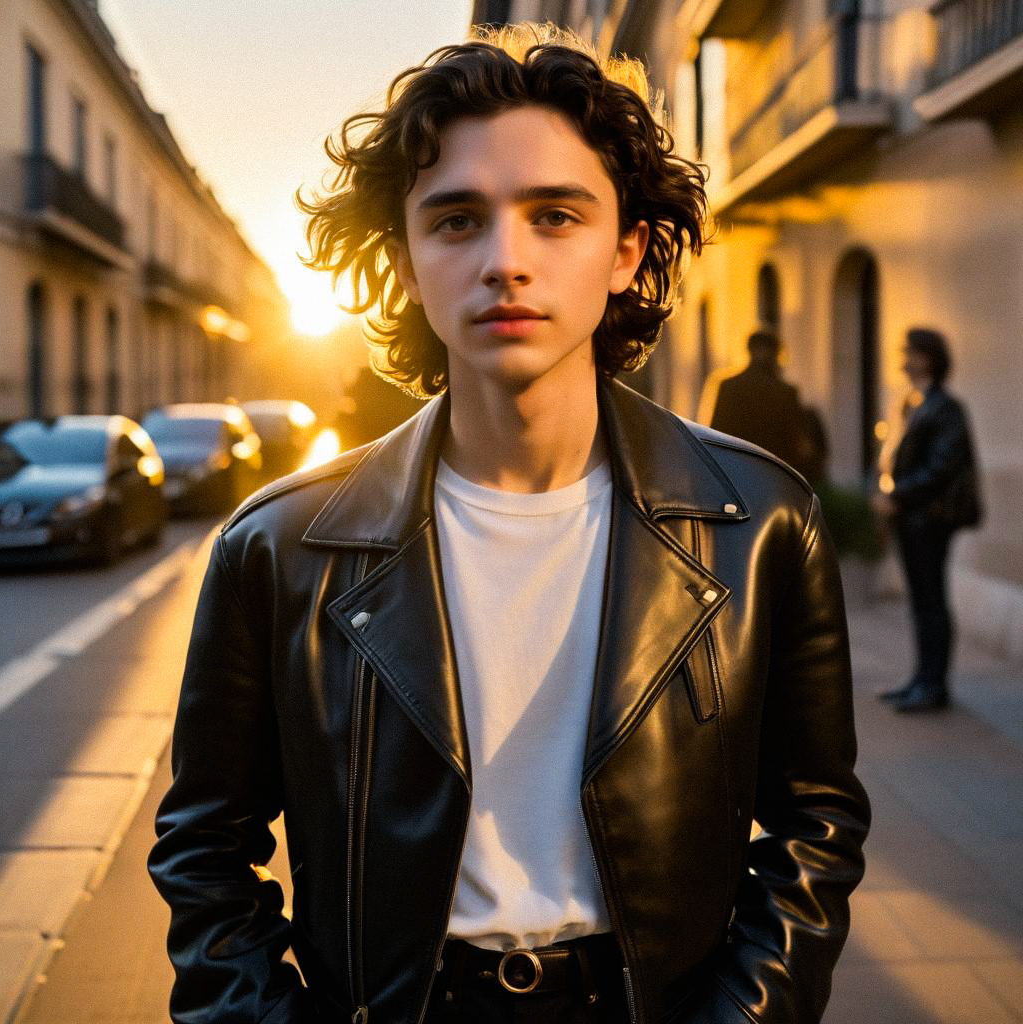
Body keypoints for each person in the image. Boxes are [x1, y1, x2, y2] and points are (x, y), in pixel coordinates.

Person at [149, 24, 870, 1024]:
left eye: (553, 216)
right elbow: (204, 846)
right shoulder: (276, 547)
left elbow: (814, 823)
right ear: (405, 258)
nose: (504, 260)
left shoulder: (761, 523)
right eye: (455, 221)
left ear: (626, 249)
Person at [874, 328, 982, 713]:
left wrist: (897, 496)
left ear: (928, 358)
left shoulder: (944, 407)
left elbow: (941, 468)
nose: (903, 358)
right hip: (912, 518)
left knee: (931, 600)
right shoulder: (913, 403)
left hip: (930, 520)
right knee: (921, 601)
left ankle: (934, 686)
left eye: (910, 352)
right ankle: (922, 679)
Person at [703, 329, 813, 478]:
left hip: (735, 470)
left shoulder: (728, 386)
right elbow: (796, 442)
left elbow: (715, 433)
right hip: (773, 472)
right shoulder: (785, 392)